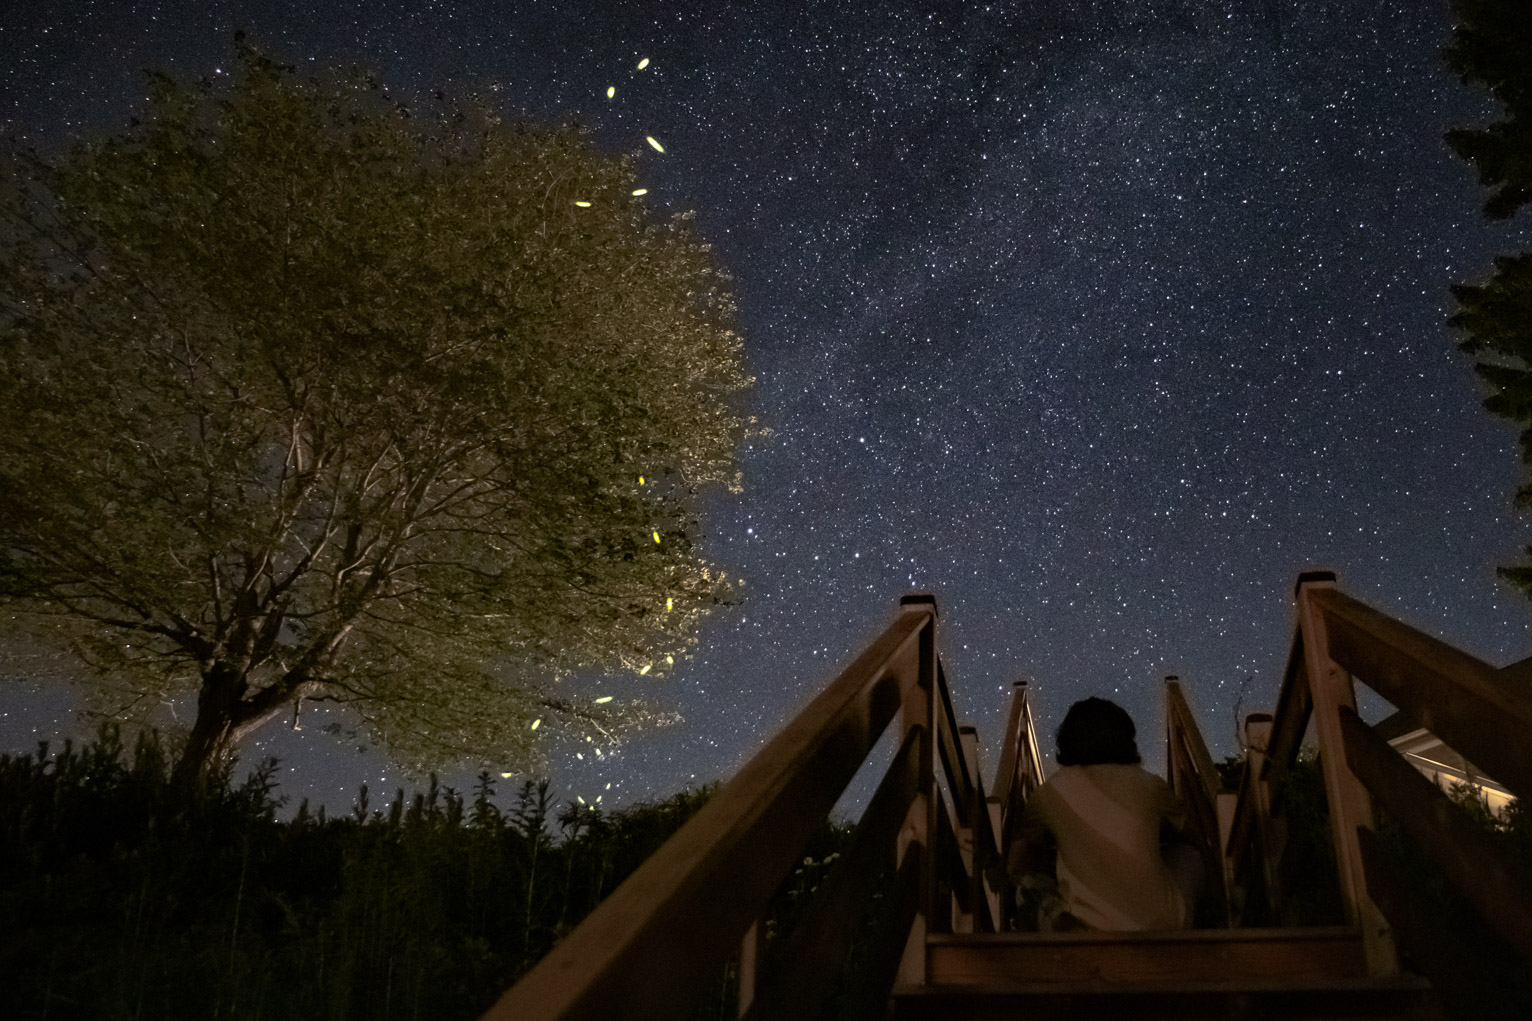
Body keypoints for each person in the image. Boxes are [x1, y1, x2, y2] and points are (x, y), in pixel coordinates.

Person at [1009, 697, 1204, 931]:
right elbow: (1191, 835)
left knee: (1027, 885)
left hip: (1086, 928)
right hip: (1161, 925)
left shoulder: (1050, 792)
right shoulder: (1151, 785)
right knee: (1189, 852)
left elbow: (1016, 861)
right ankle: (1225, 907)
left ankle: (1064, 917)